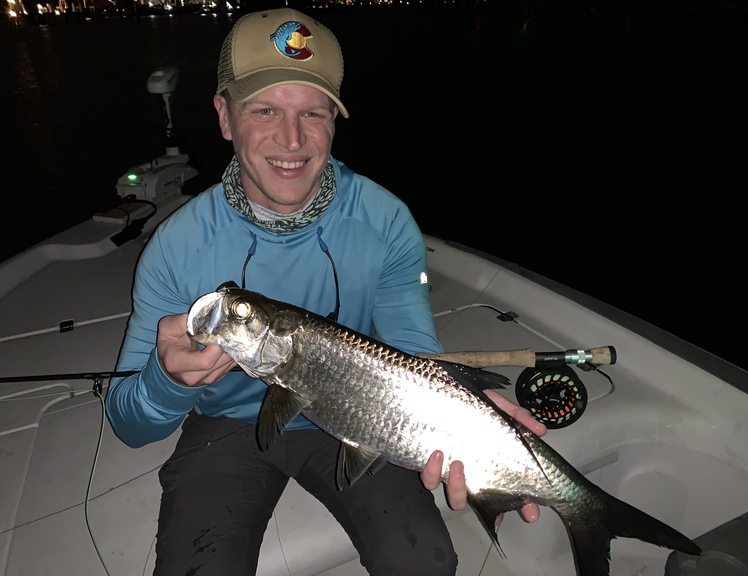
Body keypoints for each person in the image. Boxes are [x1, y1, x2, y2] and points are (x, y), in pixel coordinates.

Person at [106, 8, 546, 576]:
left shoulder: (386, 221)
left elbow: (414, 349)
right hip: (227, 423)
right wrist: (166, 381)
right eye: (265, 110)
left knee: (425, 562)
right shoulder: (175, 246)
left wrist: (457, 414)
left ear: (334, 119)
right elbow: (128, 423)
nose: (291, 140)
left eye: (312, 113)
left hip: (363, 411)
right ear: (224, 116)